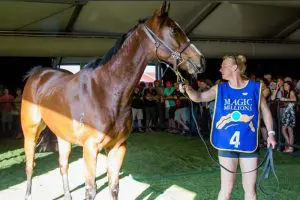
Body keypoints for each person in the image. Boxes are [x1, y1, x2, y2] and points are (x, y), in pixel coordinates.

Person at [179, 55, 277, 200]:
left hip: (249, 143)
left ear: (234, 68)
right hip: (226, 144)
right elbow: (199, 97)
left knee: (250, 190)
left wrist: (271, 133)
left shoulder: (255, 87)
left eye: (223, 66)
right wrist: (188, 89)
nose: (220, 69)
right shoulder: (219, 88)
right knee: (226, 189)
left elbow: (265, 111)